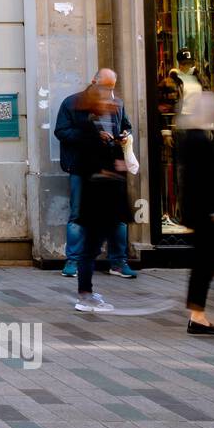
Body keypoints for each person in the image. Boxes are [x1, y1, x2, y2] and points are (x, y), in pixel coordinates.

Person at [55, 69, 139, 279]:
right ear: (94, 82)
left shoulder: (116, 104)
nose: (109, 92)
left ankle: (118, 262)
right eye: (105, 87)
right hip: (83, 167)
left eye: (112, 88)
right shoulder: (74, 103)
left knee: (118, 216)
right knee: (78, 214)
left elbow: (126, 126)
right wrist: (94, 135)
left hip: (111, 166)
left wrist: (124, 135)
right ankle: (73, 261)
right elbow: (62, 131)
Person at [176, 92, 214, 335]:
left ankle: (197, 314)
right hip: (207, 212)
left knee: (206, 263)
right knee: (207, 263)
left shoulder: (195, 136)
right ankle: (198, 316)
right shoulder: (198, 139)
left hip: (203, 211)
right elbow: (205, 180)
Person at [67, 83, 129, 312]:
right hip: (97, 201)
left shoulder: (93, 127)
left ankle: (89, 290)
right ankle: (85, 294)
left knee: (92, 247)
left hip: (103, 200)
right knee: (89, 249)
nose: (111, 102)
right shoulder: (88, 129)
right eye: (106, 98)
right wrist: (110, 168)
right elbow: (87, 165)